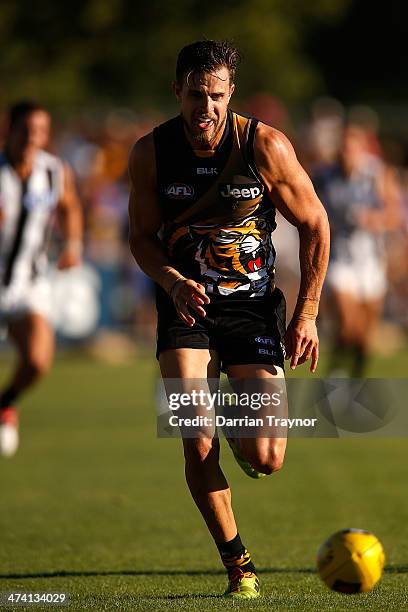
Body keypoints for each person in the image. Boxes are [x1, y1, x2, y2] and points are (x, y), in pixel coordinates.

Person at [128, 41, 329, 599]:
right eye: (196, 95)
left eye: (216, 96)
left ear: (230, 93)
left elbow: (315, 224)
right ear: (178, 92)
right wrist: (171, 281)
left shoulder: (263, 145)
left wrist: (308, 314)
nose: (206, 108)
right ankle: (239, 566)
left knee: (267, 457)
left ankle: (244, 435)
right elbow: (141, 239)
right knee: (194, 437)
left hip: (251, 306)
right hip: (184, 305)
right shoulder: (151, 152)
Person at [0, 100, 83, 457]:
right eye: (26, 129)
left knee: (37, 360)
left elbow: (70, 205)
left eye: (41, 131)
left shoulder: (52, 170)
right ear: (9, 129)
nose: (33, 138)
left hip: (27, 284)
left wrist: (73, 243)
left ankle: (6, 404)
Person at [313, 125, 402, 377]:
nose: (346, 155)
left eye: (352, 149)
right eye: (342, 149)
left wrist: (374, 220)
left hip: (370, 260)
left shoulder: (376, 175)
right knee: (348, 326)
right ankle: (336, 379)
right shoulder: (323, 176)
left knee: (364, 338)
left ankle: (352, 383)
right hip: (339, 259)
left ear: (362, 151)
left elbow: (394, 215)